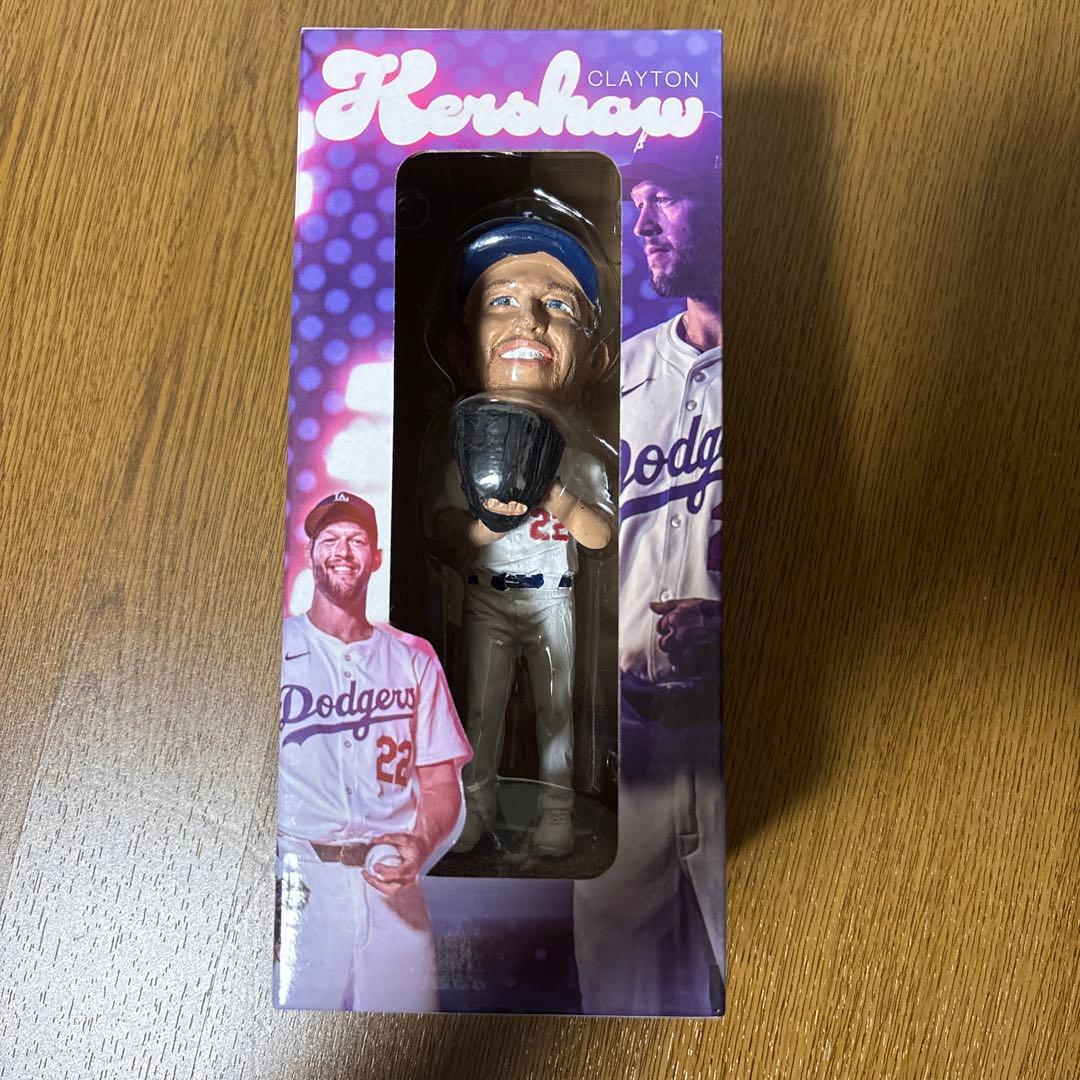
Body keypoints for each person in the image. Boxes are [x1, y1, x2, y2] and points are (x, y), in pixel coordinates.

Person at [573, 115, 726, 1016]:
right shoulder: (619, 381)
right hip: (630, 751)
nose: (642, 221)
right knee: (624, 1022)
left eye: (664, 196)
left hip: (740, 735)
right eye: (636, 202)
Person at [434, 217, 614, 858]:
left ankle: (557, 812)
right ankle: (475, 807)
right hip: (488, 595)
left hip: (550, 596)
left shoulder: (579, 459)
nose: (530, 320)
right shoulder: (467, 455)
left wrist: (557, 496)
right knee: (480, 710)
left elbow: (599, 537)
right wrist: (487, 524)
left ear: (596, 359)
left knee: (557, 707)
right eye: (501, 301)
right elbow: (446, 534)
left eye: (558, 306)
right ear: (461, 348)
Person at [274, 491, 472, 1011]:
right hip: (300, 881)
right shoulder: (273, 651)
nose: (343, 551)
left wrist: (422, 842)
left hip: (393, 883)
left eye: (357, 540)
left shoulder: (413, 656)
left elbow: (440, 783)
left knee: (407, 1040)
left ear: (376, 558)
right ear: (310, 553)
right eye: (330, 539)